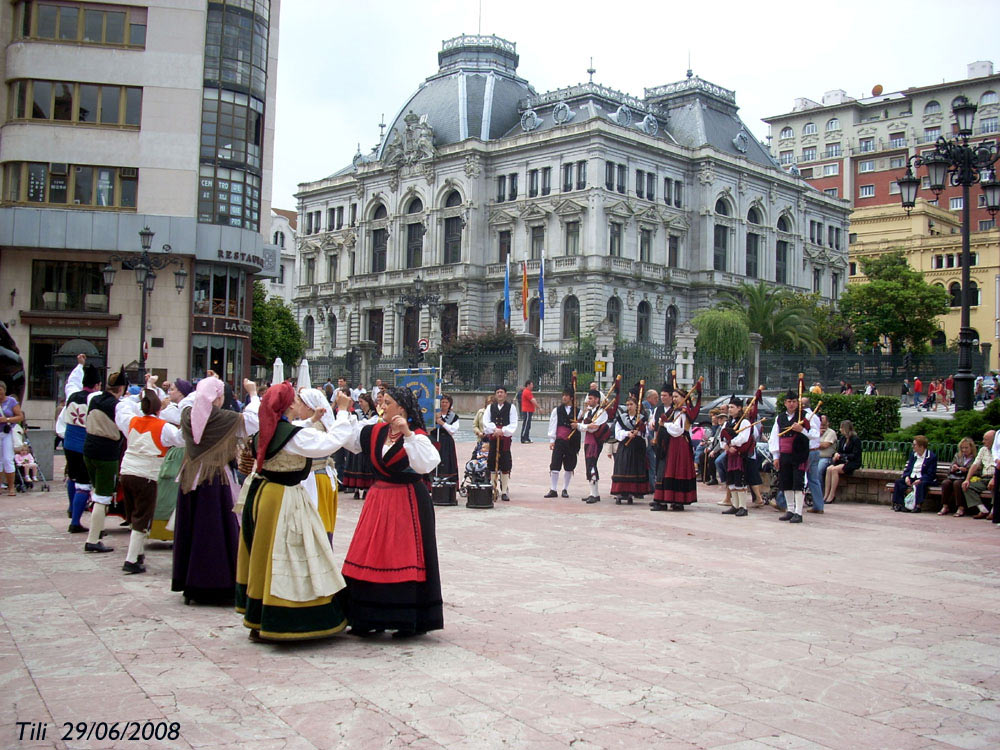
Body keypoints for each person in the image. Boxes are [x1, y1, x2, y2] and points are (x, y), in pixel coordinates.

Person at [235, 383, 353, 642]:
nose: (298, 402)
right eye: (295, 399)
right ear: (289, 405)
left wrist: (311, 420)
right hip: (285, 498)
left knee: (265, 554)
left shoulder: (266, 430)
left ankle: (257, 617)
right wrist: (343, 412)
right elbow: (329, 443)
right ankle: (286, 618)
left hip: (264, 495)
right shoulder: (292, 436)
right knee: (290, 553)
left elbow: (293, 433)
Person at [340, 386, 443, 638]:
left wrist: (407, 433)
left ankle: (405, 618)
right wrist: (343, 413)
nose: (382, 406)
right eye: (381, 402)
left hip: (408, 501)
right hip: (378, 500)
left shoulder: (417, 437)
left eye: (387, 402)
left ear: (401, 408)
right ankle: (367, 617)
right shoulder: (375, 431)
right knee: (372, 552)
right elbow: (347, 440)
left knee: (402, 555)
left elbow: (427, 464)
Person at [174, 376, 260, 605]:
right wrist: (253, 395)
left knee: (193, 529)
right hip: (214, 479)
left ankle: (191, 583)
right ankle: (217, 584)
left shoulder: (187, 414)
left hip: (190, 477)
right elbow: (255, 421)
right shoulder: (224, 418)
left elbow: (188, 404)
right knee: (214, 531)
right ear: (218, 397)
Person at [114, 388, 185, 574]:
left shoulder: (132, 421)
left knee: (133, 514)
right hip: (146, 475)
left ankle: (138, 554)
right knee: (142, 516)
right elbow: (181, 439)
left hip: (126, 472)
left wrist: (135, 398)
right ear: (159, 410)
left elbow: (121, 408)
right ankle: (131, 560)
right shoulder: (163, 427)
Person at [81, 366, 128, 552]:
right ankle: (93, 539)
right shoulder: (118, 406)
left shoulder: (94, 399)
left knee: (97, 492)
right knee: (103, 497)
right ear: (121, 388)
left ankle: (97, 529)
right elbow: (126, 427)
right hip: (106, 453)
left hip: (89, 449)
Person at [296, 387, 344, 541]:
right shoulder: (311, 424)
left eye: (299, 403)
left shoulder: (313, 428)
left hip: (313, 479)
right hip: (319, 477)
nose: (296, 407)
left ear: (308, 407)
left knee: (316, 524)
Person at [652, 384, 700, 511]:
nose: (674, 399)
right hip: (674, 443)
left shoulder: (682, 411)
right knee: (671, 470)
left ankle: (677, 500)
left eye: (676, 397)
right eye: (673, 397)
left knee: (676, 470)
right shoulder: (677, 410)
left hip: (679, 444)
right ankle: (673, 499)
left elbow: (678, 430)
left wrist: (665, 424)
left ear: (684, 398)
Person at [769, 390, 812, 524]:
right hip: (785, 455)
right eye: (789, 401)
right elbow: (774, 437)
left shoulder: (806, 416)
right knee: (786, 482)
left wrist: (802, 430)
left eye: (794, 401)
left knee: (798, 483)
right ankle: (790, 510)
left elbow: (815, 435)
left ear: (797, 403)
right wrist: (776, 456)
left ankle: (798, 513)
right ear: (785, 403)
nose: (791, 404)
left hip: (799, 454)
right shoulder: (780, 418)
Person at [610, 395, 649, 505]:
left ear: (637, 406)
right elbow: (617, 433)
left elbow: (646, 433)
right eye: (627, 405)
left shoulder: (642, 418)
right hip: (625, 446)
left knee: (634, 468)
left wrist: (639, 432)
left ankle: (631, 493)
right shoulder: (621, 418)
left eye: (631, 404)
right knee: (622, 467)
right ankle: (619, 493)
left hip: (637, 447)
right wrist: (627, 433)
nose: (629, 407)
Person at [341, 393, 379, 499]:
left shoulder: (374, 414)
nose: (360, 404)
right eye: (359, 402)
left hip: (367, 443)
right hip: (357, 441)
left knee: (365, 466)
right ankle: (356, 490)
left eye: (362, 402)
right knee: (356, 465)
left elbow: (370, 423)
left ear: (367, 402)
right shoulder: (356, 413)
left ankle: (366, 489)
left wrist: (358, 424)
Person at [483, 386, 517, 502]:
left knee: (505, 463)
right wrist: (494, 429)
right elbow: (486, 422)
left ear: (505, 394)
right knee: (492, 462)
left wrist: (502, 431)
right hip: (494, 438)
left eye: (502, 392)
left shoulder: (511, 407)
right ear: (495, 395)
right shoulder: (490, 407)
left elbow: (513, 424)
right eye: (498, 392)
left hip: (505, 439)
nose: (500, 394)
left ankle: (504, 491)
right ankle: (493, 489)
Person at [719, 396, 752, 516]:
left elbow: (744, 438)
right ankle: (735, 505)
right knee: (731, 480)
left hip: (740, 454)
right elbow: (721, 437)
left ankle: (743, 507)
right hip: (730, 454)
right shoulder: (727, 423)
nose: (730, 409)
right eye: (729, 407)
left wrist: (732, 443)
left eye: (732, 407)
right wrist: (726, 446)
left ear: (739, 408)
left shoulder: (744, 422)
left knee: (739, 480)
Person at [545, 386, 580, 498]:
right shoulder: (557, 410)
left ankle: (565, 489)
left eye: (566, 395)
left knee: (569, 465)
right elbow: (553, 425)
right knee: (555, 464)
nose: (564, 397)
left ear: (571, 398)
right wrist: (552, 440)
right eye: (563, 395)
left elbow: (580, 426)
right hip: (560, 441)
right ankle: (553, 489)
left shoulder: (578, 412)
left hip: (572, 442)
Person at [576, 389, 609, 504]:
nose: (588, 401)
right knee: (589, 465)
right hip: (588, 441)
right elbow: (585, 426)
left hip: (595, 442)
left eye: (590, 398)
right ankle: (593, 493)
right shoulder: (588, 412)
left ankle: (594, 494)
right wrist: (583, 426)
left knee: (592, 464)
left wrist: (581, 426)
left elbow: (594, 427)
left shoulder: (601, 412)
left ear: (597, 399)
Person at [890, 436, 937, 513]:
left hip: (924, 478)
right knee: (899, 482)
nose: (913, 446)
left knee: (921, 485)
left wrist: (920, 480)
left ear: (921, 446)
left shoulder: (931, 457)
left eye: (914, 445)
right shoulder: (913, 455)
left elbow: (931, 473)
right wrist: (906, 477)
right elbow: (908, 468)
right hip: (912, 477)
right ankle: (899, 504)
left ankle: (918, 505)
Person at [429, 393, 460, 504]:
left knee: (446, 462)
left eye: (446, 402)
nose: (444, 404)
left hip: (446, 442)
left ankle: (447, 485)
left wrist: (441, 423)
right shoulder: (433, 414)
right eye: (442, 402)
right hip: (434, 440)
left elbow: (452, 430)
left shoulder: (454, 417)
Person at [822, 420, 862, 505]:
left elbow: (855, 455)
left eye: (841, 428)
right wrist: (836, 454)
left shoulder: (855, 439)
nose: (840, 429)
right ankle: (826, 494)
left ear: (846, 428)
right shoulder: (843, 438)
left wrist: (842, 456)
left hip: (852, 462)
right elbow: (839, 450)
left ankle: (832, 495)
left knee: (834, 470)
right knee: (829, 469)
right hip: (842, 461)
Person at [938, 437, 976, 516]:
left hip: (967, 478)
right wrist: (953, 468)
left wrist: (966, 470)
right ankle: (945, 506)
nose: (964, 450)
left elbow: (978, 470)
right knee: (945, 483)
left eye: (966, 448)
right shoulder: (958, 456)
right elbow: (950, 468)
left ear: (971, 448)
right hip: (955, 476)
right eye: (962, 448)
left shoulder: (975, 458)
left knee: (957, 484)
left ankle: (960, 507)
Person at [961, 430, 994, 519]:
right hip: (985, 478)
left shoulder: (998, 450)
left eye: (986, 439)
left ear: (994, 440)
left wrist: (994, 479)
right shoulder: (983, 450)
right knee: (967, 487)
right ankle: (983, 510)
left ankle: (994, 511)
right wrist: (967, 480)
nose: (983, 441)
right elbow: (975, 464)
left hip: (996, 477)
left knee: (996, 487)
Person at [799, 396, 824, 514]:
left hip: (808, 450)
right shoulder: (816, 417)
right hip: (815, 450)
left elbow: (811, 433)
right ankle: (819, 505)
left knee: (798, 475)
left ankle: (782, 501)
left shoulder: (806, 417)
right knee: (814, 479)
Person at [0, 381, 24, 496]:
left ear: (4, 390)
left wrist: (7, 419)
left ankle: (11, 487)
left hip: (7, 432)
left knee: (8, 459)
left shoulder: (11, 401)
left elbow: (20, 416)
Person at [816, 414, 837, 499]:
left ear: (828, 423)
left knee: (818, 470)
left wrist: (813, 443)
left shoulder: (831, 432)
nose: (822, 427)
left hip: (826, 458)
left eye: (824, 424)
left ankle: (819, 494)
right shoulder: (815, 432)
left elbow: (825, 445)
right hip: (815, 457)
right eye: (820, 424)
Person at [643, 389, 660, 491]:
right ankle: (651, 485)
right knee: (651, 461)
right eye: (655, 398)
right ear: (648, 398)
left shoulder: (654, 408)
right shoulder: (646, 408)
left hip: (650, 437)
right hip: (647, 438)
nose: (657, 400)